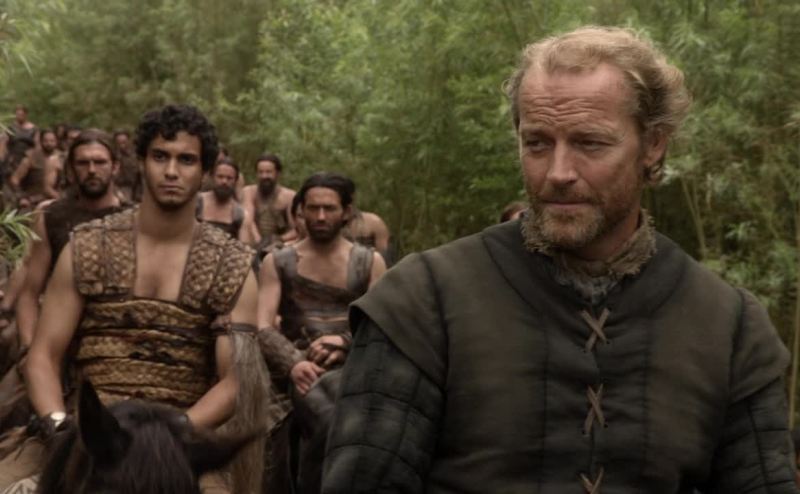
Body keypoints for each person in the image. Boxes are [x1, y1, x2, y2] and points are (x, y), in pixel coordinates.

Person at [322, 26, 799, 493]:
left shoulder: (730, 325)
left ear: (653, 144)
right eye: (537, 143)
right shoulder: (420, 301)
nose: (558, 172)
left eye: (590, 143)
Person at [0, 104, 269, 494]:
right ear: (141, 162)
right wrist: (58, 423)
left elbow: (235, 381)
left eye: (186, 160)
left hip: (179, 438)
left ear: (206, 172)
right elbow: (43, 355)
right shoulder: (87, 247)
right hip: (86, 430)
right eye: (160, 156)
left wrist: (170, 438)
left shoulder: (233, 265)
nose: (171, 171)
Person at [258, 172, 386, 493]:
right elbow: (260, 324)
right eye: (313, 208)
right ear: (300, 210)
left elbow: (383, 324)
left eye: (329, 208)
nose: (320, 216)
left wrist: (346, 341)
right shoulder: (278, 261)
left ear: (346, 211)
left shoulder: (369, 262)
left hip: (355, 369)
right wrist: (293, 362)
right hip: (293, 371)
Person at [242, 153, 296, 250]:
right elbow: (248, 220)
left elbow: (296, 230)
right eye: (260, 172)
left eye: (268, 172)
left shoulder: (289, 196)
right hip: (252, 243)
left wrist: (279, 239)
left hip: (279, 246)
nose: (264, 176)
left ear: (277, 173)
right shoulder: (248, 192)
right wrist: (259, 242)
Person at [195, 157, 255, 243]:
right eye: (220, 177)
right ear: (212, 177)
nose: (224, 181)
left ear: (235, 181)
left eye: (229, 178)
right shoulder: (195, 203)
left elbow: (244, 248)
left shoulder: (241, 216)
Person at [113, 129, 142, 202]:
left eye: (124, 142)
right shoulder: (113, 156)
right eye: (119, 143)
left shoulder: (136, 155)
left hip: (136, 188)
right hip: (121, 188)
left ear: (129, 141)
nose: (122, 145)